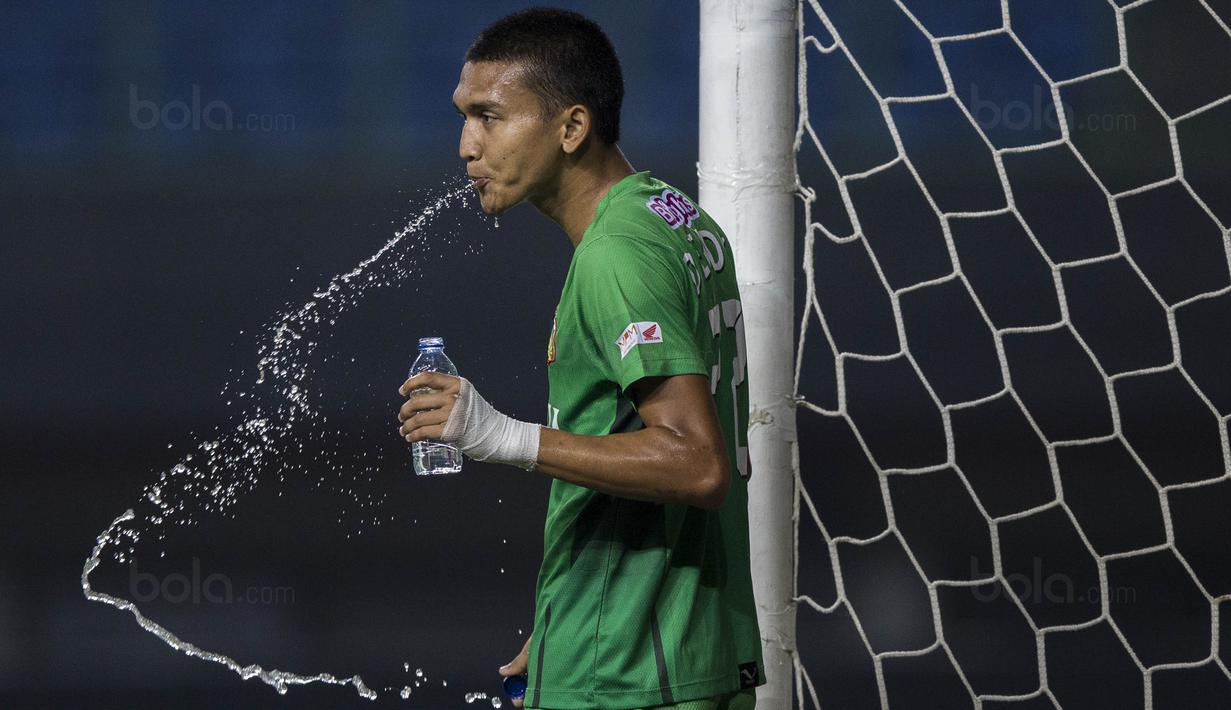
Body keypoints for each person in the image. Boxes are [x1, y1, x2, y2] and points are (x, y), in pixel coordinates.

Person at [397, 7, 763, 709]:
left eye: (489, 117)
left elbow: (698, 463)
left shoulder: (616, 256)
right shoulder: (674, 217)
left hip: (631, 673)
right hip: (658, 645)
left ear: (571, 128)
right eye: (463, 117)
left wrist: (503, 436)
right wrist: (567, 621)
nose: (467, 147)